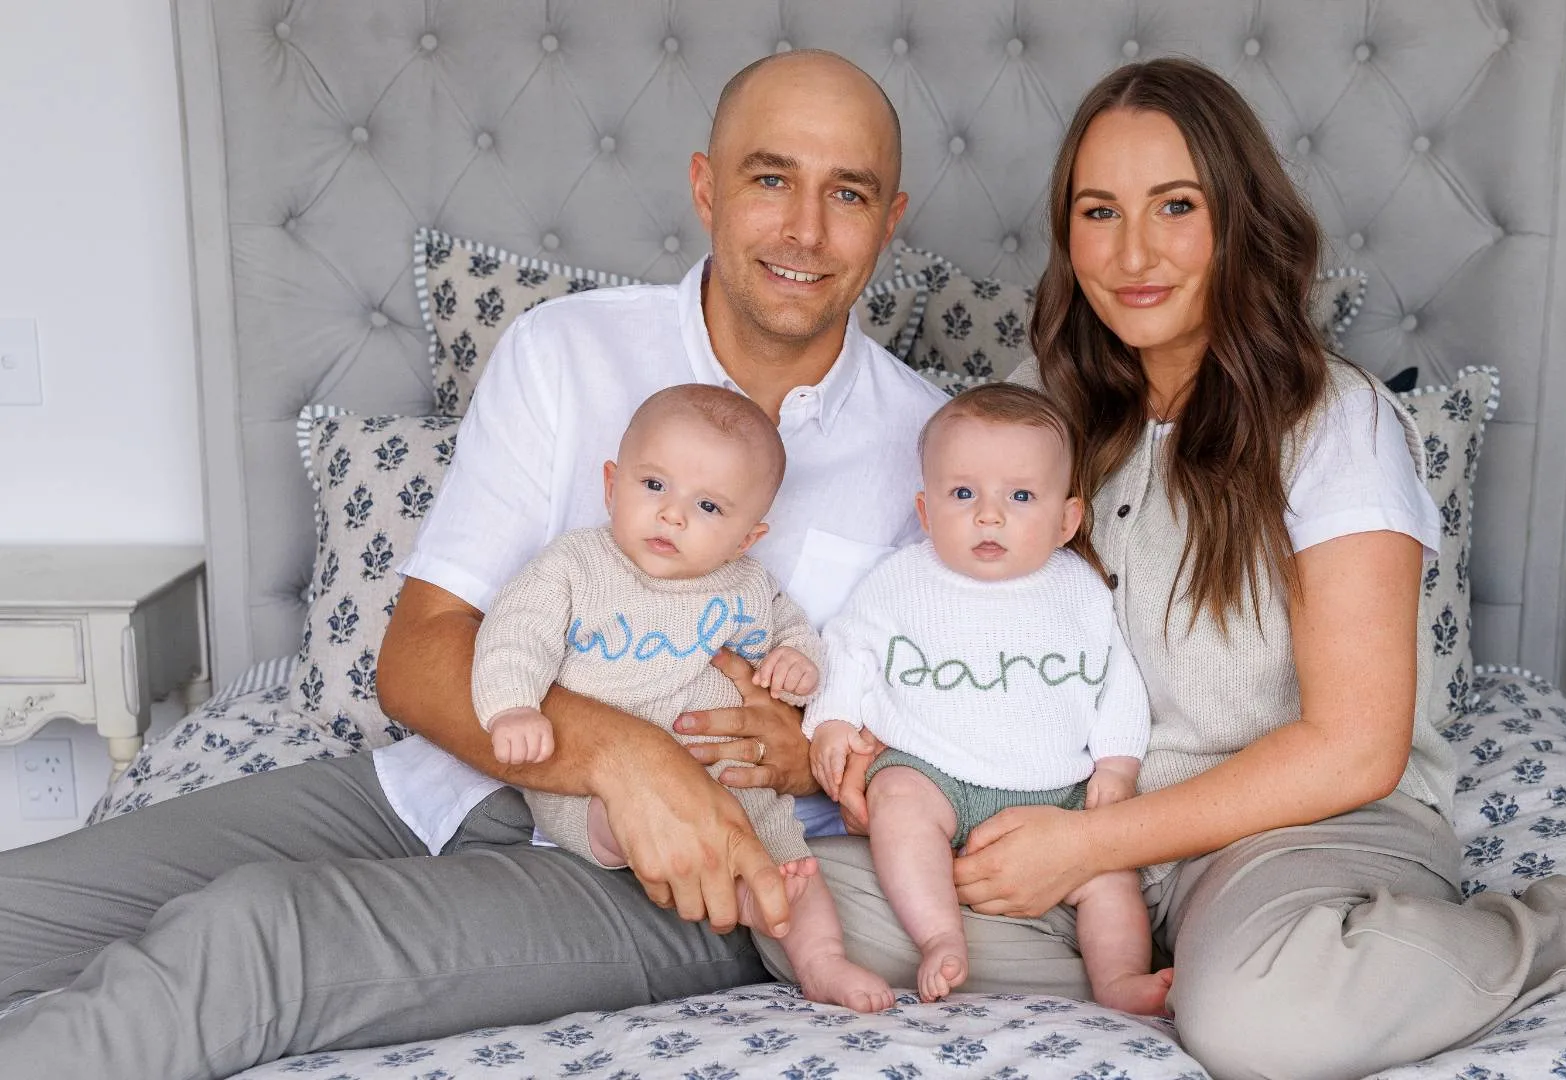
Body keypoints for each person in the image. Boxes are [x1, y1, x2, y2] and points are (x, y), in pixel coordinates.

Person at [808, 58, 1566, 1080]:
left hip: (1293, 825)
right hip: (1079, 829)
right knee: (798, 897)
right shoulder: (1040, 403)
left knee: (1263, 1024)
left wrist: (1090, 848)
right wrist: (871, 751)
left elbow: (1355, 746)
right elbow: (949, 615)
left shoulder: (1335, 423)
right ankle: (1153, 971)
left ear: (1240, 218)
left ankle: (1561, 929)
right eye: (1099, 212)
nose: (1132, 250)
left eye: (1175, 206)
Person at [0, 49, 942, 1078]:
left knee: (250, 937)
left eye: (846, 193)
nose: (805, 230)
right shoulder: (564, 352)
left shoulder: (933, 451)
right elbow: (417, 659)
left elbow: (978, 738)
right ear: (705, 187)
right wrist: (632, 755)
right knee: (23, 914)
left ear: (889, 221)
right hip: (445, 780)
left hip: (681, 879)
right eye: (770, 179)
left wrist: (812, 756)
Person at [472, 384, 892, 1012]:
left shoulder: (746, 587)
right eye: (653, 487)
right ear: (612, 486)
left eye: (708, 506)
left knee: (795, 869)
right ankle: (705, 879)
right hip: (601, 785)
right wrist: (512, 707)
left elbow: (792, 630)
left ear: (749, 537)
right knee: (624, 826)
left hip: (736, 783)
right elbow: (516, 633)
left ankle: (820, 961)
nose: (673, 515)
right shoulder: (577, 566)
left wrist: (797, 662)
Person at [806, 384, 1169, 1012]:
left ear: (1066, 521)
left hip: (1058, 790)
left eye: (1021, 496)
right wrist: (834, 719)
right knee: (896, 806)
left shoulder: (1082, 592)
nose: (989, 516)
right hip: (932, 772)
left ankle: (1120, 980)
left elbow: (1120, 679)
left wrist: (1116, 762)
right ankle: (940, 935)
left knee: (1110, 874)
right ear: (925, 511)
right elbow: (849, 648)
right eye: (963, 494)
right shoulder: (901, 582)